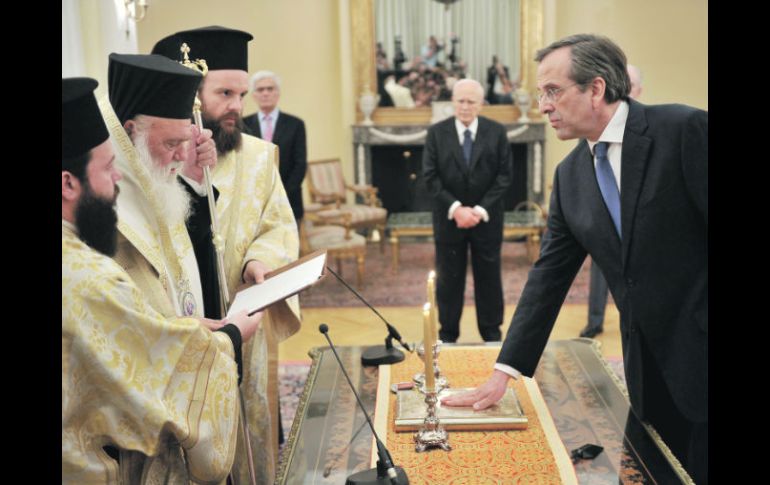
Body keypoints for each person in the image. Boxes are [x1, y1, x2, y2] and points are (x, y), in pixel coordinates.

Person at [443, 34, 707, 483]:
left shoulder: (683, 130)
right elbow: (548, 276)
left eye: (552, 91)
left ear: (596, 88)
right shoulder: (569, 177)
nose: (543, 106)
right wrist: (504, 373)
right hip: (646, 370)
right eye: (541, 94)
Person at [62, 77, 263, 484]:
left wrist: (179, 327)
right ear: (68, 183)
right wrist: (230, 337)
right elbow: (152, 378)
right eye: (107, 167)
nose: (118, 178)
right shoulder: (84, 276)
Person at [152, 25, 301, 485]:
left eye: (242, 94)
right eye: (224, 93)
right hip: (187, 323)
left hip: (244, 318)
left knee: (248, 437)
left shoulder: (259, 157)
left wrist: (259, 260)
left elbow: (277, 224)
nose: (237, 106)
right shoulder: (157, 157)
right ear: (192, 96)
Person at [422, 78, 513, 343]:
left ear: (481, 104)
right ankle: (448, 334)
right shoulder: (436, 133)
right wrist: (457, 209)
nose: (465, 106)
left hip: (487, 219)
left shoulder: (497, 132)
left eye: (471, 101)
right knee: (449, 280)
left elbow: (505, 177)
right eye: (460, 100)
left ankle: (492, 334)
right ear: (452, 102)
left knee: (489, 278)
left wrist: (479, 210)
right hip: (449, 220)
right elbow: (430, 177)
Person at [580, 63, 644, 338]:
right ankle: (594, 322)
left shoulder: (654, 131)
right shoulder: (593, 132)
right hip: (605, 217)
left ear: (639, 91)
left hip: (641, 224)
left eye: (629, 86)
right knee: (600, 273)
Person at [243, 70, 308, 223]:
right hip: (255, 204)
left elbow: (300, 164)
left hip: (288, 200)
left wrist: (281, 194)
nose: (265, 93)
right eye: (260, 89)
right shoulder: (243, 125)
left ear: (278, 93)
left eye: (270, 89)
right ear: (253, 95)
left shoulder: (296, 124)